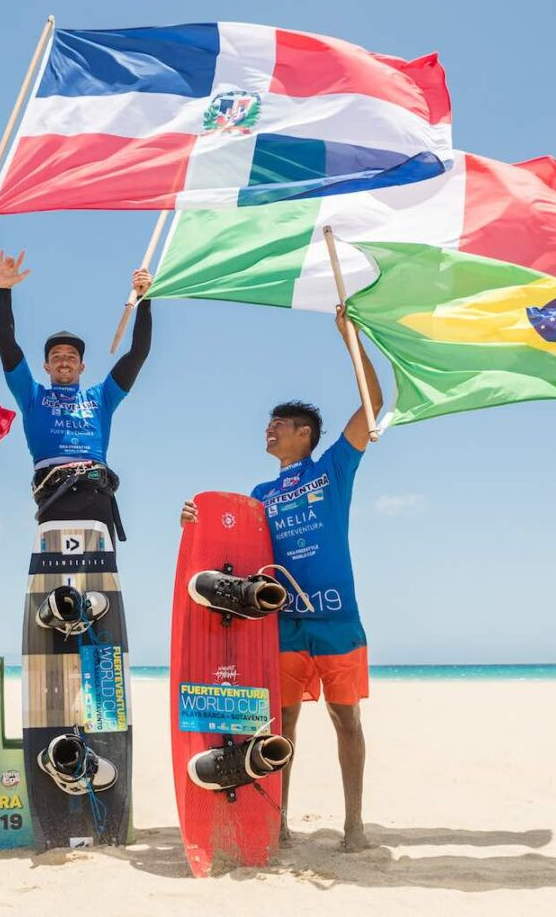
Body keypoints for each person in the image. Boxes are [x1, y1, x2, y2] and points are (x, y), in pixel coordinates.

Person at [180, 304, 383, 852]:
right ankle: (280, 821)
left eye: (279, 424)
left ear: (305, 433)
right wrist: (194, 523)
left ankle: (355, 827)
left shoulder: (332, 469)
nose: (268, 429)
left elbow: (374, 404)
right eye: (268, 423)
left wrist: (350, 337)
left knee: (347, 722)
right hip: (285, 624)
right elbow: (229, 552)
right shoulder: (260, 495)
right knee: (281, 728)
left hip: (337, 621)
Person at [0, 251, 152, 542]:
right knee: (56, 583)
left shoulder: (102, 396)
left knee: (100, 585)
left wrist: (145, 300)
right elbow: (7, 345)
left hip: (96, 494)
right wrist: (3, 290)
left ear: (82, 366)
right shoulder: (32, 395)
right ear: (46, 366)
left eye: (71, 357)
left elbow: (138, 353)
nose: (64, 361)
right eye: (56, 357)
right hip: (53, 493)